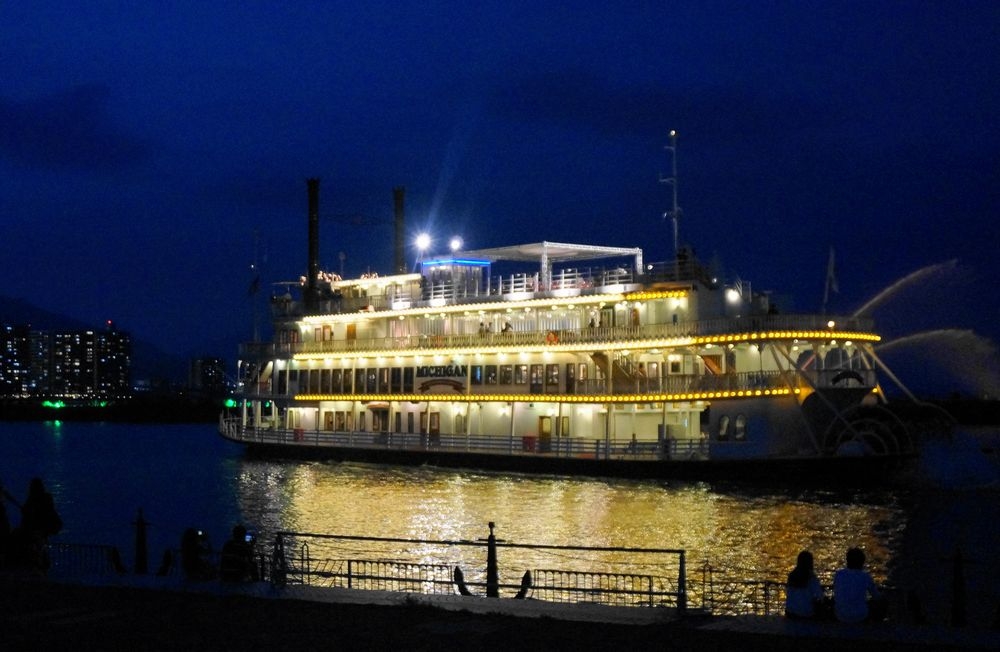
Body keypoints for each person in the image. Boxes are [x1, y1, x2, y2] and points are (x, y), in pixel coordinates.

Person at [833, 547, 883, 623]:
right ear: (862, 562)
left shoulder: (839, 574)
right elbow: (876, 596)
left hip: (841, 615)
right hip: (861, 615)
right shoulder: (865, 576)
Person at [785, 550, 826, 619]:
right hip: (806, 613)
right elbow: (820, 596)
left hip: (790, 612)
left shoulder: (791, 576)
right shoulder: (811, 578)